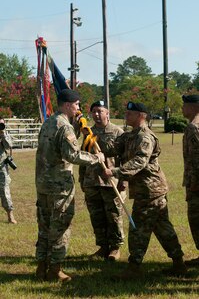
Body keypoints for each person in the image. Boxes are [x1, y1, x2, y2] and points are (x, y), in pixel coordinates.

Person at [102, 101, 187, 278]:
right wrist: (90, 139)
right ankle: (179, 263)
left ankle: (134, 267)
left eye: (130, 114)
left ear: (142, 115)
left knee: (138, 229)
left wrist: (116, 172)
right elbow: (113, 148)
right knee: (163, 228)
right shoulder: (129, 136)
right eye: (125, 113)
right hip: (146, 189)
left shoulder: (145, 137)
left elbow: (140, 161)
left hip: (150, 190)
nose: (126, 116)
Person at [35, 89, 105, 282]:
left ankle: (41, 267)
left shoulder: (49, 122)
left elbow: (56, 148)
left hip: (43, 184)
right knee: (60, 227)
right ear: (67, 105)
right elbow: (72, 155)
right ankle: (55, 270)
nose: (78, 108)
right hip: (59, 187)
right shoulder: (64, 127)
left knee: (44, 227)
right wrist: (95, 158)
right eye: (77, 105)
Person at [79, 100, 126, 261]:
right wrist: (81, 179)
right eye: (94, 112)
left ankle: (115, 247)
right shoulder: (88, 133)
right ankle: (103, 246)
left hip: (110, 181)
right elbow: (83, 156)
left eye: (100, 111)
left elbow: (125, 158)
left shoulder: (118, 132)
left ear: (107, 113)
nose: (97, 115)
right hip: (92, 181)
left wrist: (123, 180)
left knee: (113, 215)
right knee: (96, 216)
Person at [182, 94, 199, 266]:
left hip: (197, 183)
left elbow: (197, 158)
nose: (182, 108)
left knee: (196, 219)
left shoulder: (194, 127)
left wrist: (194, 183)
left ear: (194, 107)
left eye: (185, 105)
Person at [0, 117, 17, 224]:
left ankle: (10, 216)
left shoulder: (4, 134)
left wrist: (3, 134)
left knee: (5, 192)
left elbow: (9, 145)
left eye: (2, 124)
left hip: (1, 167)